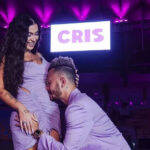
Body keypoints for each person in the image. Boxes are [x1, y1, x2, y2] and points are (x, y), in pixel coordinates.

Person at [31, 56, 131, 150]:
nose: (46, 88)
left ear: (62, 81)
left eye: (49, 83)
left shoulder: (77, 107)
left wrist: (37, 132)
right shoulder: (79, 101)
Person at [0, 14, 61, 150]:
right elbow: (1, 90)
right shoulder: (9, 58)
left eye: (36, 34)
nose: (33, 38)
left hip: (50, 110)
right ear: (19, 35)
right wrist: (21, 109)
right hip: (27, 112)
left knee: (51, 147)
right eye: (29, 34)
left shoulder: (39, 55)